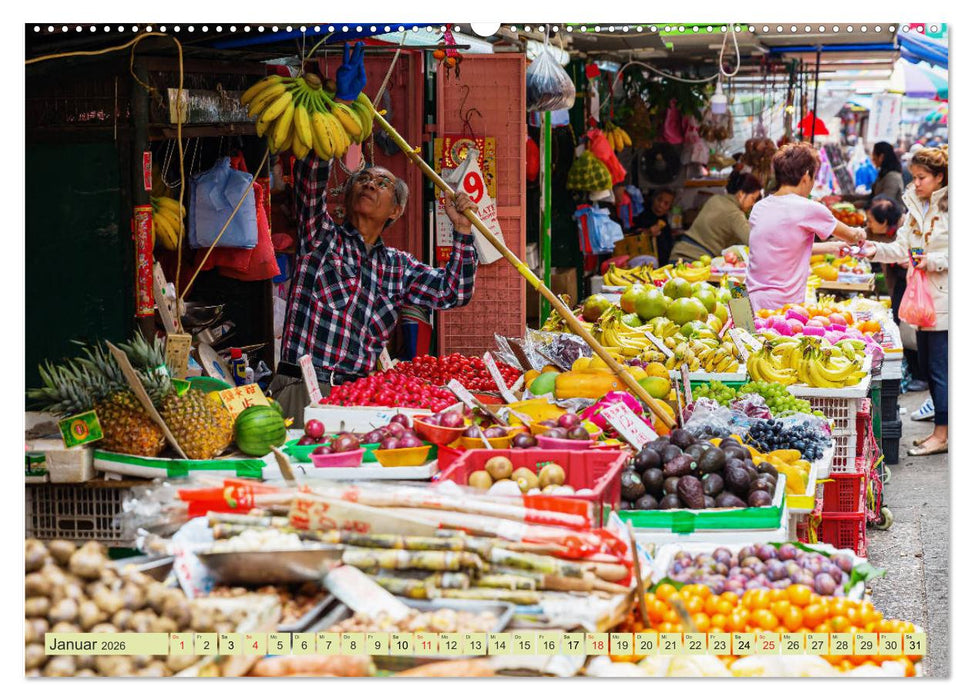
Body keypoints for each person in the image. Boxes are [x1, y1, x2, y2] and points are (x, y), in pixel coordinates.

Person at [269, 43, 480, 421]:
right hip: (301, 387)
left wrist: (463, 232)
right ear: (348, 195)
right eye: (363, 179)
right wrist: (342, 107)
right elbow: (309, 182)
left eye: (381, 183)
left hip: (358, 394)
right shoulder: (322, 238)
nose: (368, 184)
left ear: (396, 211)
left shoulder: (398, 267)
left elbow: (454, 292)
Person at [862, 147, 948, 455]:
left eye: (923, 177)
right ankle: (942, 432)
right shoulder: (915, 210)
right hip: (923, 304)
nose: (917, 182)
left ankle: (942, 434)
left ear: (940, 177)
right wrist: (873, 250)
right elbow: (901, 249)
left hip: (946, 301)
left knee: (939, 370)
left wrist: (933, 261)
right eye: (915, 177)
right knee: (928, 366)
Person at [745, 142, 866, 312]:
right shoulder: (809, 208)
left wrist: (830, 247)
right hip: (780, 307)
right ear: (806, 177)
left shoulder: (759, 207)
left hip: (747, 300)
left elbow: (783, 247)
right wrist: (861, 233)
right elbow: (851, 236)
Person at [669, 171, 761, 264]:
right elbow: (753, 241)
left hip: (678, 252)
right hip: (694, 260)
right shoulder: (735, 214)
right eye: (752, 199)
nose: (752, 204)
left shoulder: (715, 199)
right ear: (741, 194)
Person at [632, 188, 676, 265]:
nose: (661, 205)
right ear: (653, 198)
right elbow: (631, 236)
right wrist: (648, 232)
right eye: (659, 200)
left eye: (666, 203)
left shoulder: (665, 221)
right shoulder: (641, 215)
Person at [869, 141, 904, 206]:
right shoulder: (883, 174)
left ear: (881, 157)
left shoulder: (893, 177)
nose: (872, 158)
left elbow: (885, 203)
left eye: (874, 154)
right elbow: (872, 196)